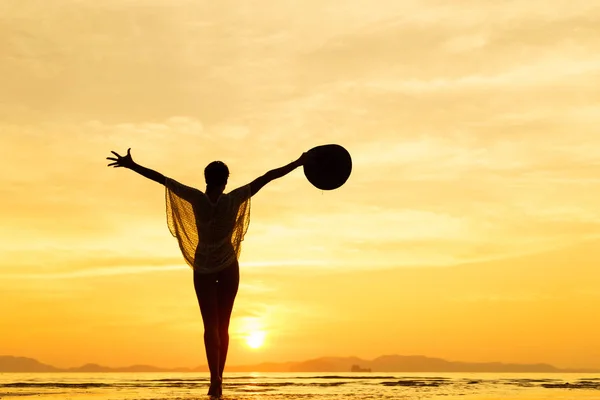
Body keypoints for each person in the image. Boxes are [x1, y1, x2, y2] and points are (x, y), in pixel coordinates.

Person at [106, 148, 308, 397]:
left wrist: (132, 165)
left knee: (210, 326)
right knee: (223, 326)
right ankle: (219, 378)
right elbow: (267, 177)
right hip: (227, 265)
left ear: (206, 179)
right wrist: (298, 163)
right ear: (224, 181)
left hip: (203, 266)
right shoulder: (233, 198)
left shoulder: (197, 199)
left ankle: (214, 379)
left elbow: (161, 178)